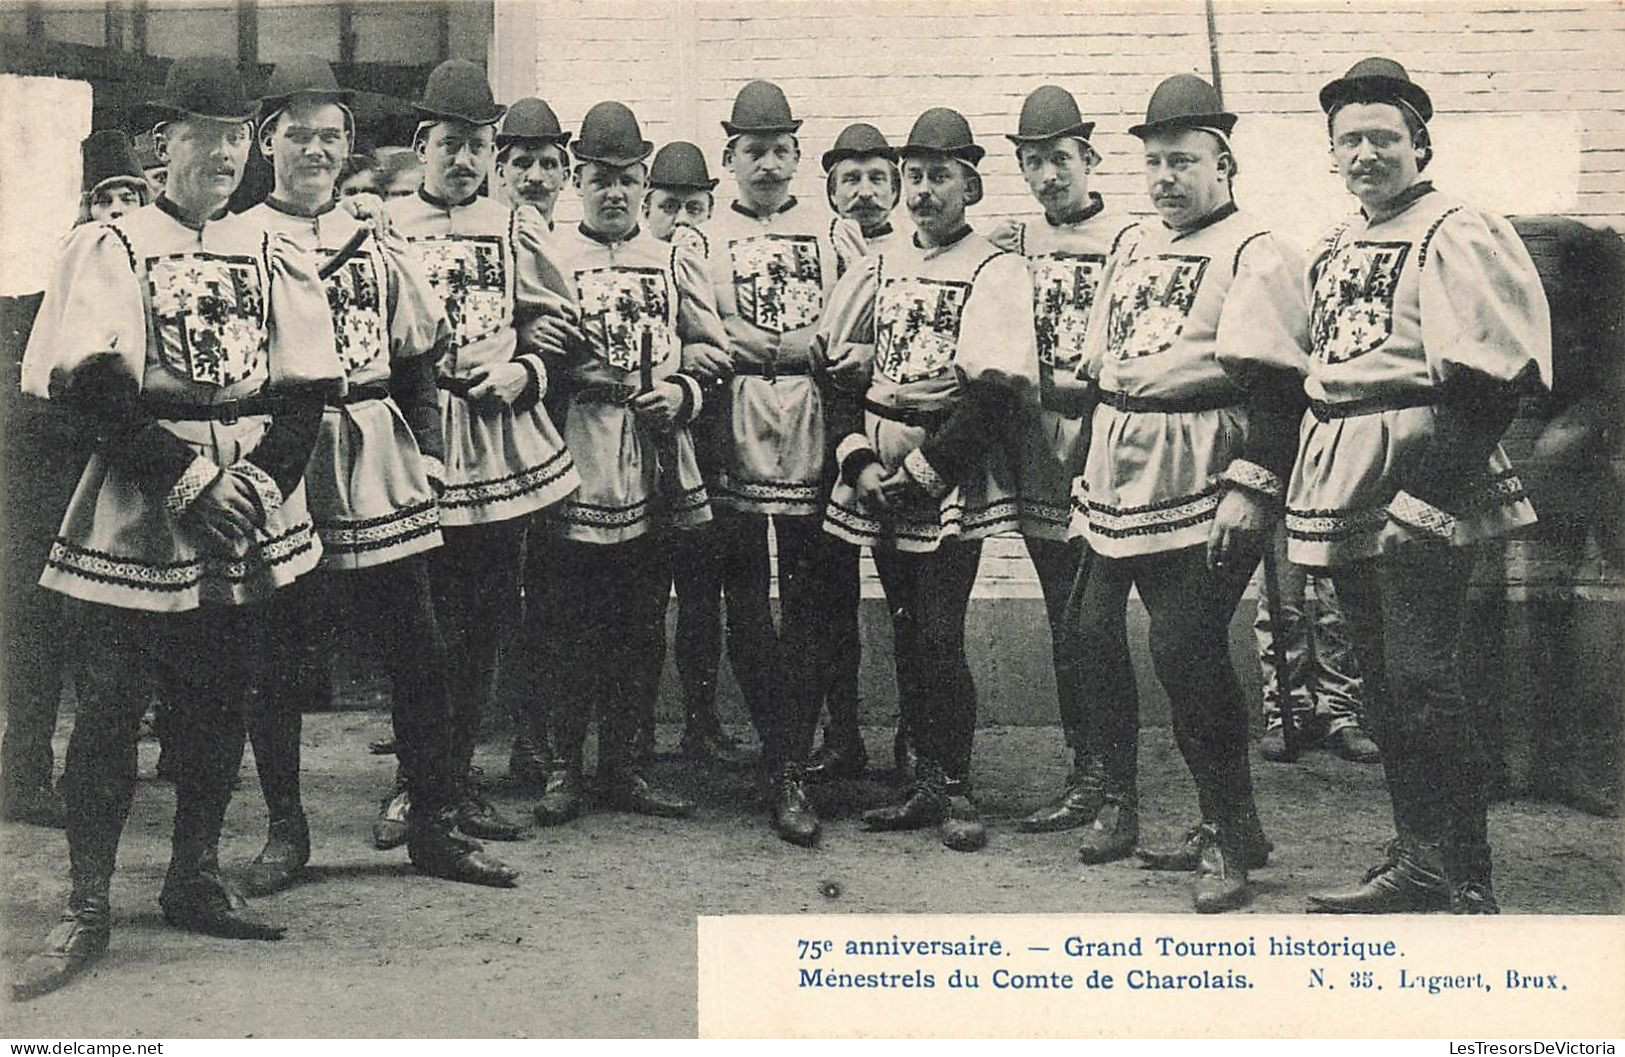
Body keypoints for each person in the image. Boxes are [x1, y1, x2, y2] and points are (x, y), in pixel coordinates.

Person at [11, 56, 342, 1000]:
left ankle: (193, 875)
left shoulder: (273, 248)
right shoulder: (113, 243)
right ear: (163, 144)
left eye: (240, 136)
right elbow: (96, 389)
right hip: (141, 497)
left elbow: (305, 390)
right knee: (110, 704)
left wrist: (262, 488)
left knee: (221, 698)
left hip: (243, 511)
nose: (227, 154)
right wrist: (194, 477)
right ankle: (85, 903)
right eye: (207, 134)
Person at [237, 54, 519, 893]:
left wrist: (429, 451)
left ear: (349, 142)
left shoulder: (374, 238)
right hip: (286, 451)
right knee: (280, 650)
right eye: (298, 135)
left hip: (376, 446)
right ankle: (288, 832)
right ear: (267, 141)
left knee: (418, 646)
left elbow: (416, 356)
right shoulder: (247, 236)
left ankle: (433, 822)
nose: (315, 150)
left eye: (331, 136)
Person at [1293, 58, 1551, 914]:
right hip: (1345, 474)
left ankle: (1466, 870)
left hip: (1421, 464)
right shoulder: (1335, 242)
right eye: (1349, 140)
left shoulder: (1456, 230)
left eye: (1382, 137)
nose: (1365, 153)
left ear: (1418, 143)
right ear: (1331, 152)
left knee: (1421, 680)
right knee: (1379, 680)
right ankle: (1416, 857)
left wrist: (1427, 495)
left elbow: (1493, 381)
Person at [1068, 75, 1306, 912]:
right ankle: (1119, 803)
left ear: (1224, 163)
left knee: (1182, 646)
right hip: (1118, 459)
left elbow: (1279, 386)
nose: (1165, 177)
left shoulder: (1256, 250)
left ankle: (1228, 832)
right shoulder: (1132, 245)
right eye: (1154, 163)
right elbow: (1102, 359)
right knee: (1090, 630)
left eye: (1182, 162)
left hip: (1202, 466)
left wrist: (1253, 487)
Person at [822, 107, 1039, 853]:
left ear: (969, 186)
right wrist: (857, 459)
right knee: (907, 629)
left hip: (945, 481)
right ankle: (919, 779)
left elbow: (992, 395)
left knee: (942, 633)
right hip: (880, 479)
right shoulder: (878, 265)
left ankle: (953, 783)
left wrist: (924, 469)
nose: (920, 193)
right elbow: (839, 369)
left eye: (937, 177)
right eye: (912, 177)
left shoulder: (993, 267)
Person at [380, 60, 581, 847]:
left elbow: (558, 330)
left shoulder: (513, 227)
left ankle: (456, 778)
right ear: (422, 145)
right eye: (448, 145)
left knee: (485, 618)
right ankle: (411, 782)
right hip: (416, 440)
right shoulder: (387, 226)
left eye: (476, 147)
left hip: (497, 442)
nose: (461, 161)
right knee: (417, 623)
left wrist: (525, 369)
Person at [526, 102, 723, 827]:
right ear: (577, 180)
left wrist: (681, 388)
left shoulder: (672, 257)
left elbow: (711, 348)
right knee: (567, 618)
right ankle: (562, 769)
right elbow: (527, 339)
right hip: (573, 444)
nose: (614, 192)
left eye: (627, 180)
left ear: (644, 183)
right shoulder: (551, 254)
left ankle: (626, 765)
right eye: (600, 178)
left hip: (651, 454)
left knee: (641, 618)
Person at [705, 80, 856, 845]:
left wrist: (807, 347)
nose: (766, 166)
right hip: (733, 426)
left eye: (779, 151)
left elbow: (848, 329)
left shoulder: (834, 236)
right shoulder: (698, 237)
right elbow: (704, 325)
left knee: (811, 601)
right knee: (745, 604)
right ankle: (773, 749)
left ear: (798, 156)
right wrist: (758, 344)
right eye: (751, 151)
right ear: (728, 157)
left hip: (813, 427)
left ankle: (795, 758)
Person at [988, 85, 1131, 833]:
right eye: (1033, 163)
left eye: (1059, 160)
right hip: (1038, 452)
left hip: (1108, 443)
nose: (1048, 176)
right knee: (1064, 618)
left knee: (1097, 618)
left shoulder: (1129, 240)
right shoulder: (1011, 246)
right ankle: (1090, 768)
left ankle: (1112, 776)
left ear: (1090, 157)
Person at [0, 132, 144, 828]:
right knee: (37, 627)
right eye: (103, 199)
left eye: (130, 197)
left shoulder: (153, 276)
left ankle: (145, 758)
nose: (116, 212)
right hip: (44, 477)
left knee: (114, 628)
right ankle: (23, 771)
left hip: (116, 473)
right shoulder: (43, 288)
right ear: (81, 212)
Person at [628, 140, 753, 765]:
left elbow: (725, 346)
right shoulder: (642, 261)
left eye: (695, 208)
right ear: (647, 206)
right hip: (642, 454)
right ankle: (638, 734)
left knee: (705, 599)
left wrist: (708, 357)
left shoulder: (719, 262)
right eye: (670, 207)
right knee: (645, 600)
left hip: (709, 452)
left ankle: (701, 722)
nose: (682, 222)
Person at [801, 121, 904, 782]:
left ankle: (917, 743)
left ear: (896, 188)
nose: (863, 192)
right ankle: (842, 733)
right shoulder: (821, 249)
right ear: (831, 190)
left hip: (900, 452)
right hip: (833, 450)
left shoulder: (919, 250)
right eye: (849, 180)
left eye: (876, 179)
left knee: (911, 604)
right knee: (828, 600)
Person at [1252, 527, 1377, 762]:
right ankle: (1284, 713)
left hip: (1338, 501)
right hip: (1281, 500)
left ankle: (1339, 711)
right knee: (1281, 602)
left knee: (1338, 605)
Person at [494, 97, 570, 227]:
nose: (535, 177)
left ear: (564, 177)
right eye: (522, 164)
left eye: (548, 165)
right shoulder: (485, 245)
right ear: (501, 174)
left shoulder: (571, 246)